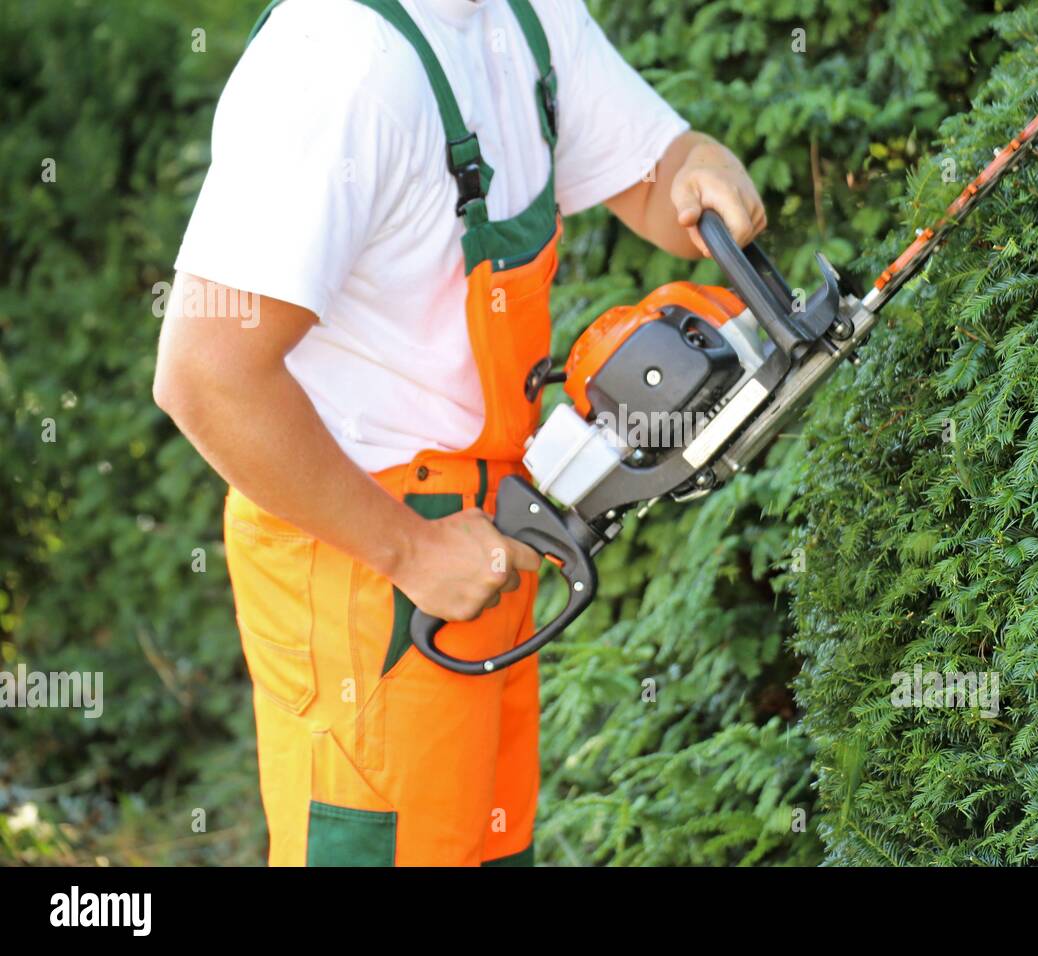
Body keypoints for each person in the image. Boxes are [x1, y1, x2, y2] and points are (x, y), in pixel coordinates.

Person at [153, 0, 765, 866]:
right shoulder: (337, 62)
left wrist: (699, 167)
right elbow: (206, 377)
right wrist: (407, 551)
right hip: (365, 562)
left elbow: (655, 179)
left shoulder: (525, 16)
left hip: (481, 545)